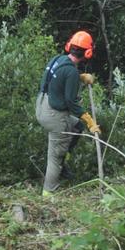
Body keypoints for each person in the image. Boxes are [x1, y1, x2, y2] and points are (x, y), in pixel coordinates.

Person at [35, 30, 101, 196]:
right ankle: (48, 193)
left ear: (70, 46)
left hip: (42, 106)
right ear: (87, 52)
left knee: (77, 126)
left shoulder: (58, 59)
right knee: (55, 158)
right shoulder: (71, 71)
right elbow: (71, 103)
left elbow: (59, 78)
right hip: (54, 116)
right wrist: (89, 120)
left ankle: (64, 157)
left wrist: (79, 77)